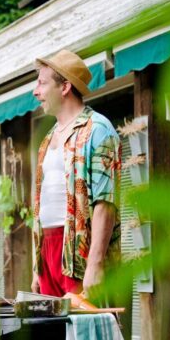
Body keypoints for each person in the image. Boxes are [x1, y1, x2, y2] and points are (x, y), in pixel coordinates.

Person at [31, 50, 121, 301]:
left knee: (88, 331)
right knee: (54, 337)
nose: (35, 91)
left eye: (42, 83)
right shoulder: (48, 139)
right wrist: (37, 266)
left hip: (79, 251)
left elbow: (106, 202)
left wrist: (95, 263)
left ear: (65, 87)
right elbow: (43, 205)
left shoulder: (98, 129)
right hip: (48, 250)